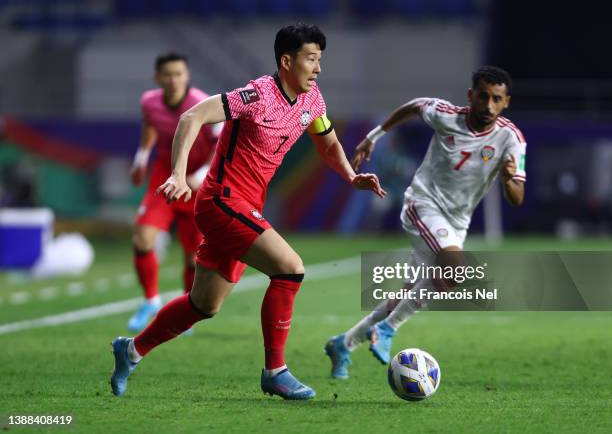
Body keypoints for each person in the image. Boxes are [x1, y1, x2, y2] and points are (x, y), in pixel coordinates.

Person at [111, 23, 385, 400]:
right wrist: (178, 173)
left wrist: (351, 177)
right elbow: (191, 117)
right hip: (221, 200)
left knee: (203, 304)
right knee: (291, 268)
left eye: (320, 60)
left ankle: (130, 350)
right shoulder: (256, 94)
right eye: (311, 59)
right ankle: (276, 370)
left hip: (245, 206)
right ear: (287, 61)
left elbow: (327, 143)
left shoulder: (312, 100)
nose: (318, 68)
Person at [325, 66, 526, 379]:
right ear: (471, 96)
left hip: (457, 222)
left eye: (496, 99)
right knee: (455, 269)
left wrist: (508, 177)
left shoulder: (511, 139)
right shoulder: (446, 115)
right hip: (422, 204)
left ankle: (343, 343)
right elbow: (415, 105)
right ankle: (388, 330)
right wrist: (373, 137)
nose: (488, 104)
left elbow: (517, 196)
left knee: (411, 293)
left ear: (506, 102)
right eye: (483, 96)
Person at [127, 52, 220, 332]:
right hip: (165, 177)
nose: (173, 79)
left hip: (195, 183)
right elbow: (149, 127)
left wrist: (202, 174)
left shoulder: (204, 104)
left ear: (187, 75)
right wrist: (141, 157)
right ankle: (150, 300)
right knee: (143, 238)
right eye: (167, 74)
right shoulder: (149, 102)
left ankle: (184, 309)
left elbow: (221, 141)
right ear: (158, 78)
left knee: (193, 256)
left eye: (178, 73)